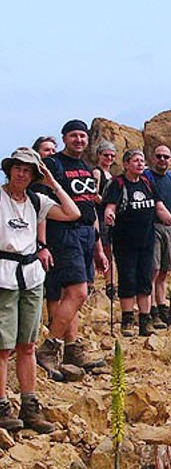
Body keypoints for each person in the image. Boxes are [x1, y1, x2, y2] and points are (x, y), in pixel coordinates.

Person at [0, 147, 80, 432]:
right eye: (17, 168)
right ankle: (2, 408)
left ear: (35, 175)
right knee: (3, 347)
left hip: (31, 277)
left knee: (28, 345)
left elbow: (73, 213)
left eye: (28, 170)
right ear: (10, 170)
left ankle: (29, 406)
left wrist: (53, 183)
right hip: (4, 277)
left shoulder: (36, 200)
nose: (21, 174)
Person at [37, 120, 109, 379]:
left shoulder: (87, 169)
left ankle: (71, 349)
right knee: (77, 292)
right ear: (64, 138)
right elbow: (41, 207)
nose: (79, 140)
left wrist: (99, 248)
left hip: (87, 234)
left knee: (76, 293)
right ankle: (50, 346)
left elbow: (91, 210)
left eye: (82, 136)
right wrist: (42, 243)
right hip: (64, 233)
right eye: (73, 135)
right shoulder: (54, 165)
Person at [103, 149, 171, 337]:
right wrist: (109, 216)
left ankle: (145, 320)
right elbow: (110, 206)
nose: (139, 164)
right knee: (128, 278)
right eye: (135, 161)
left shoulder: (147, 183)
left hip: (147, 239)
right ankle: (128, 320)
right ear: (126, 164)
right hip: (125, 240)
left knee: (145, 278)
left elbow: (159, 206)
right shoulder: (118, 184)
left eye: (141, 161)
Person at [145, 145, 171, 328]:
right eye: (159, 156)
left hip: (169, 228)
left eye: (165, 157)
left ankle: (162, 307)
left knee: (164, 271)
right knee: (153, 270)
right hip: (153, 226)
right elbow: (157, 206)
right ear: (152, 158)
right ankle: (151, 310)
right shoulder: (147, 177)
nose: (162, 159)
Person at [93, 140, 117, 294]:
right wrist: (107, 202)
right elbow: (93, 193)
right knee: (102, 249)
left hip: (110, 217)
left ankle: (111, 284)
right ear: (99, 155)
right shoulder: (97, 172)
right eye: (105, 155)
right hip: (99, 215)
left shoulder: (112, 175)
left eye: (111, 156)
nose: (109, 158)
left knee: (110, 251)